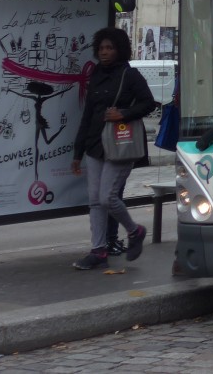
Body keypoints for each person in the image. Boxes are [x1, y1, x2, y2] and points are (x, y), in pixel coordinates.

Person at [70, 27, 157, 270]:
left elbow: (149, 103)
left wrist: (124, 114)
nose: (105, 52)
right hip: (95, 145)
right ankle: (98, 250)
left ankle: (134, 230)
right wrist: (78, 153)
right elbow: (87, 114)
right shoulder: (96, 74)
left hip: (120, 144)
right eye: (101, 48)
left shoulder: (130, 75)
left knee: (107, 197)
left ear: (120, 50)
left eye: (110, 48)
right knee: (95, 201)